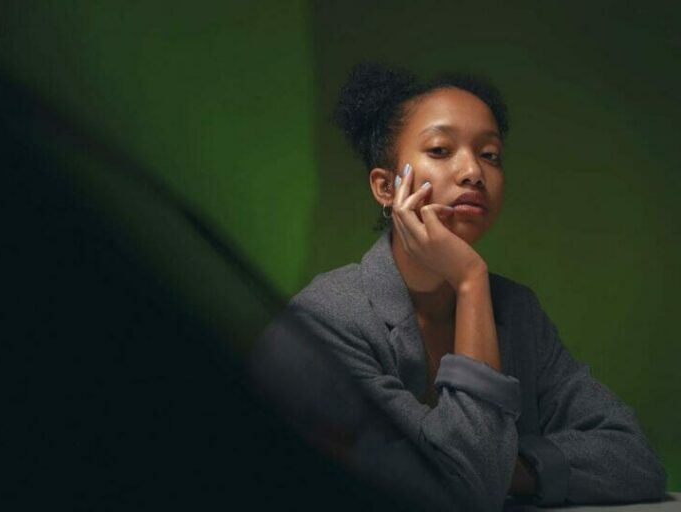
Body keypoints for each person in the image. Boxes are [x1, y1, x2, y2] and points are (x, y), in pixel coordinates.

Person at [254, 63, 667, 512]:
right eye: (440, 149)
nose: (473, 171)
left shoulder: (516, 313)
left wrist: (508, 465)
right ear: (385, 188)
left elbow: (635, 460)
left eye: (490, 154)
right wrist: (470, 281)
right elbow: (467, 493)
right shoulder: (323, 320)